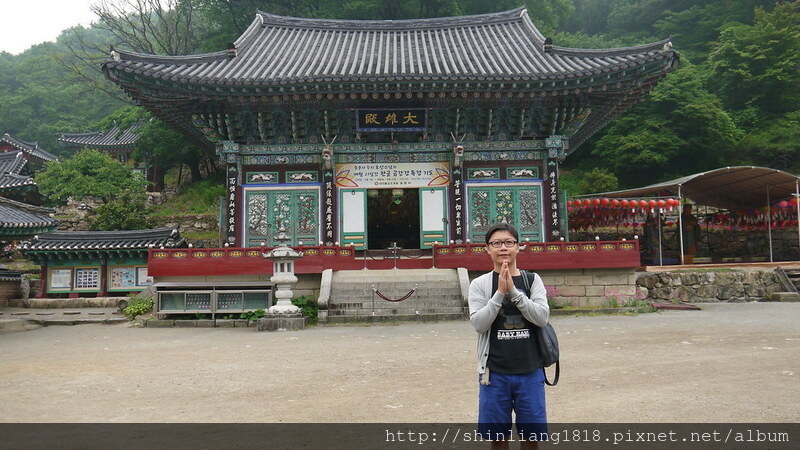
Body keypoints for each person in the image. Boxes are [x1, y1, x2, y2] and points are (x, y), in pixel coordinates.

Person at [468, 223, 550, 449]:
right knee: (498, 440)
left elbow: (542, 317)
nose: (503, 247)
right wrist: (499, 294)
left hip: (530, 370)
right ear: (487, 249)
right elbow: (479, 323)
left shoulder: (532, 280)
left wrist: (514, 293)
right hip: (494, 373)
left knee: (531, 439)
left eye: (508, 242)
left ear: (518, 247)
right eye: (496, 243)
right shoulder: (479, 285)